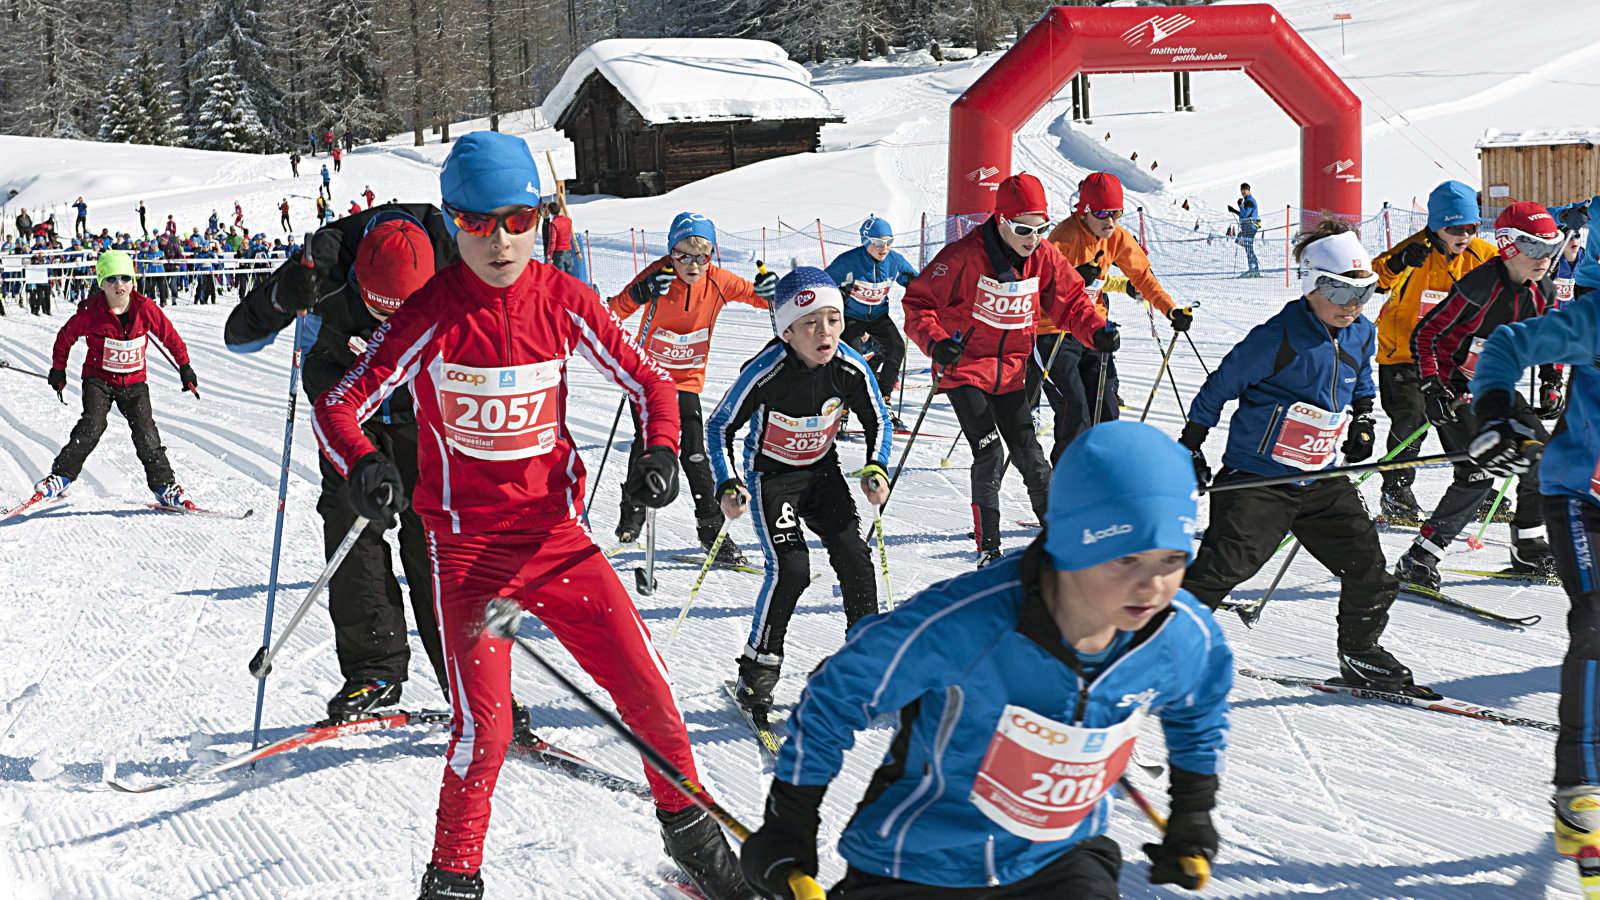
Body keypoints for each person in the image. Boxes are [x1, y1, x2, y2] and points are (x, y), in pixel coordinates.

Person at [312, 131, 751, 900]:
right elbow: (339, 403)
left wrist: (659, 449)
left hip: (557, 542)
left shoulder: (563, 299)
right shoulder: (431, 313)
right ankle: (452, 879)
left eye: (519, 220)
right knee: (485, 732)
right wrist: (366, 463)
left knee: (649, 690)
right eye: (478, 223)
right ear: (453, 223)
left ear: (541, 218)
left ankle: (692, 838)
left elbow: (651, 382)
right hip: (469, 556)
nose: (501, 240)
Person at [739, 420, 1230, 900]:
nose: (1153, 587)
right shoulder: (967, 621)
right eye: (1125, 559)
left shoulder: (1180, 631)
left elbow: (1199, 705)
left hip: (1060, 857)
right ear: (1072, 544)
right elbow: (841, 690)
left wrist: (1193, 812)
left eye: (1172, 560)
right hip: (920, 861)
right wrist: (790, 821)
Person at [227, 206, 464, 723]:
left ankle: (467, 675)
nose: (389, 328)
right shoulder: (326, 263)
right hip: (347, 414)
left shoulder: (454, 252)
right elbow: (238, 335)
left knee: (436, 536)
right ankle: (374, 669)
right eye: (378, 311)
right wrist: (282, 295)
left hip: (424, 411)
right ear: (356, 278)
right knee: (351, 520)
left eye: (403, 315)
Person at [1179, 219, 1430, 692]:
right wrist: (1190, 444)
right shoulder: (1277, 336)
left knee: (1369, 569)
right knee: (1223, 569)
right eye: (1338, 291)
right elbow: (1218, 387)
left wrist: (1362, 418)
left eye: (1363, 292)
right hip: (1260, 479)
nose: (1351, 305)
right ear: (1312, 284)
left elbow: (1361, 378)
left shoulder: (1362, 332)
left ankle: (1360, 653)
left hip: (1319, 477)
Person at [1463, 215, 1600, 862]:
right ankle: (1581, 788)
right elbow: (1505, 345)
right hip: (1581, 497)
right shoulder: (1593, 321)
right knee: (1596, 622)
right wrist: (1495, 411)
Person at [902, 173, 1113, 566]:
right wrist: (937, 343)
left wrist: (1096, 331)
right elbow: (918, 305)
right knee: (989, 452)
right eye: (1023, 229)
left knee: (1031, 456)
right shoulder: (963, 256)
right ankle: (989, 549)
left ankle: (1060, 540)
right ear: (1000, 220)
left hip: (1011, 372)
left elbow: (1071, 302)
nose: (1033, 238)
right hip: (965, 370)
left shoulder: (1043, 257)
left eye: (1040, 228)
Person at [707, 266, 890, 717]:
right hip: (772, 478)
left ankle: (863, 667)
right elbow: (719, 427)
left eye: (833, 319)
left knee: (855, 555)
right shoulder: (765, 371)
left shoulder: (850, 365)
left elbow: (879, 420)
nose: (824, 331)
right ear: (786, 331)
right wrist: (727, 482)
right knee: (792, 569)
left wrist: (877, 467)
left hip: (822, 473)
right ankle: (757, 673)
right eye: (810, 323)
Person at [1392, 200, 1564, 588]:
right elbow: (1426, 335)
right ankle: (1420, 557)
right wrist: (1432, 388)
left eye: (1551, 248)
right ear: (1508, 245)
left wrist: (1551, 381)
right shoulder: (1479, 287)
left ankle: (1528, 545)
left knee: (1544, 457)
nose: (1544, 258)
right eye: (1534, 247)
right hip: (1453, 388)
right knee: (1479, 472)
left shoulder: (1543, 290)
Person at [608, 211, 776, 564]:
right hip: (648, 377)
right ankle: (632, 515)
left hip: (687, 381)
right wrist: (638, 293)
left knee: (695, 453)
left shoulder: (718, 281)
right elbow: (611, 313)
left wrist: (771, 289)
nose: (694, 265)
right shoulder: (658, 275)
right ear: (671, 252)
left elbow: (763, 299)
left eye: (703, 256)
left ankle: (711, 533)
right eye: (683, 255)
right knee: (647, 446)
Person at [1366, 180, 1500, 524]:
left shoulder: (1483, 255)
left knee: (1463, 419)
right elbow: (1373, 281)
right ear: (1437, 225)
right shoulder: (1414, 250)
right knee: (1412, 417)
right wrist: (1399, 262)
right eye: (1455, 228)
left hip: (1452, 357)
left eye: (1471, 227)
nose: (1464, 235)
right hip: (1403, 353)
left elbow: (1514, 279)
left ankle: (1476, 489)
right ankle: (1396, 492)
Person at [1043, 172, 1191, 455]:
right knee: (1075, 409)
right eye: (1101, 213)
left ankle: (1105, 468)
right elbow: (1043, 287)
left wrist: (1170, 309)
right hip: (1054, 331)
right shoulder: (1064, 237)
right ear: (1084, 210)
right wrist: (1074, 277)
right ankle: (1067, 474)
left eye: (1116, 212)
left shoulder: (1116, 237)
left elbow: (1143, 276)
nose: (1109, 220)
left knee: (1107, 408)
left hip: (1093, 327)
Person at [37, 250, 199, 509]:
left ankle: (164, 487)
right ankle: (60, 477)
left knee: (146, 432)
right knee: (92, 425)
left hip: (134, 382)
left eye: (125, 277)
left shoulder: (145, 308)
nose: (119, 284)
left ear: (133, 281)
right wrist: (59, 369)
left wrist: (185, 366)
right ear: (101, 283)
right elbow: (65, 337)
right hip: (98, 379)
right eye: (111, 279)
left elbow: (169, 336)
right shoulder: (90, 311)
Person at [824, 215, 917, 427]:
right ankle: (842, 409)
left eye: (889, 242)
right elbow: (822, 283)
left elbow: (917, 280)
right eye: (877, 243)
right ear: (866, 241)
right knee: (852, 360)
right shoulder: (848, 262)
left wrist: (915, 286)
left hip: (878, 316)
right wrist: (837, 294)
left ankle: (883, 401)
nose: (884, 248)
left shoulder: (895, 261)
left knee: (896, 348)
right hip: (852, 317)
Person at [1228, 183, 1261, 277]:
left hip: (1250, 226)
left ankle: (1254, 269)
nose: (1243, 192)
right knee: (1247, 246)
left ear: (1249, 190)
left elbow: (1246, 214)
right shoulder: (1247, 201)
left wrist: (1240, 205)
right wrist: (1234, 210)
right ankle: (1253, 268)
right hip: (1247, 226)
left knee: (1248, 247)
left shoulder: (1250, 201)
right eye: (1242, 190)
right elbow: (1243, 214)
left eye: (1245, 190)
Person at [542, 201, 575, 275]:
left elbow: (552, 242)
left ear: (550, 212)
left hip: (558, 252)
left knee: (560, 275)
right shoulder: (569, 220)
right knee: (569, 275)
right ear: (560, 209)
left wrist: (549, 257)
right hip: (568, 250)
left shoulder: (553, 224)